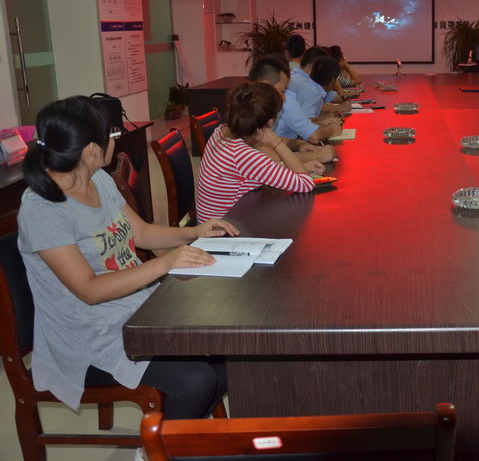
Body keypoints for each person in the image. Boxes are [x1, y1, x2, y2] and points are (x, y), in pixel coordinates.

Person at [17, 96, 235, 432]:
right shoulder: (43, 209)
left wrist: (194, 232)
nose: (115, 143)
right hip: (86, 335)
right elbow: (89, 290)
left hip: (133, 312)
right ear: (91, 150)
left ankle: (180, 444)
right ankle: (154, 451)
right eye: (112, 136)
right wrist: (166, 264)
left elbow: (142, 233)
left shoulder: (97, 179)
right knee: (195, 381)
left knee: (228, 356)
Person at [196, 81, 323, 222]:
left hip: (211, 221)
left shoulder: (221, 132)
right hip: (223, 228)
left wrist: (299, 167)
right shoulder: (245, 156)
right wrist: (276, 142)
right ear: (270, 122)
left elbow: (262, 170)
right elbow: (306, 184)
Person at [248, 55, 342, 147]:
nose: (284, 97)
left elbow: (270, 140)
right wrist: (332, 129)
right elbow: (314, 136)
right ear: (267, 86)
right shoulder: (286, 103)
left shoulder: (246, 102)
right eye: (283, 90)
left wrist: (319, 122)